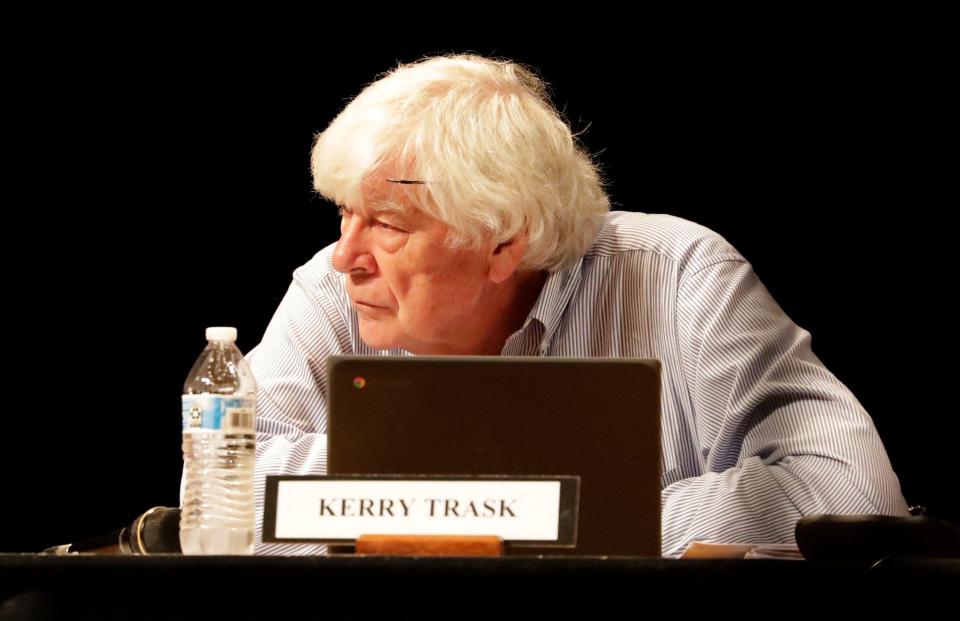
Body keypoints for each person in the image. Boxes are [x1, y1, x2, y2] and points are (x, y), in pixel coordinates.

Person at [247, 54, 908, 556]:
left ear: (506, 238)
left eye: (387, 222)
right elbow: (224, 485)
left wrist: (565, 524)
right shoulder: (331, 292)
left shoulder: (681, 277)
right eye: (343, 214)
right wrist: (514, 512)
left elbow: (850, 497)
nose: (345, 255)